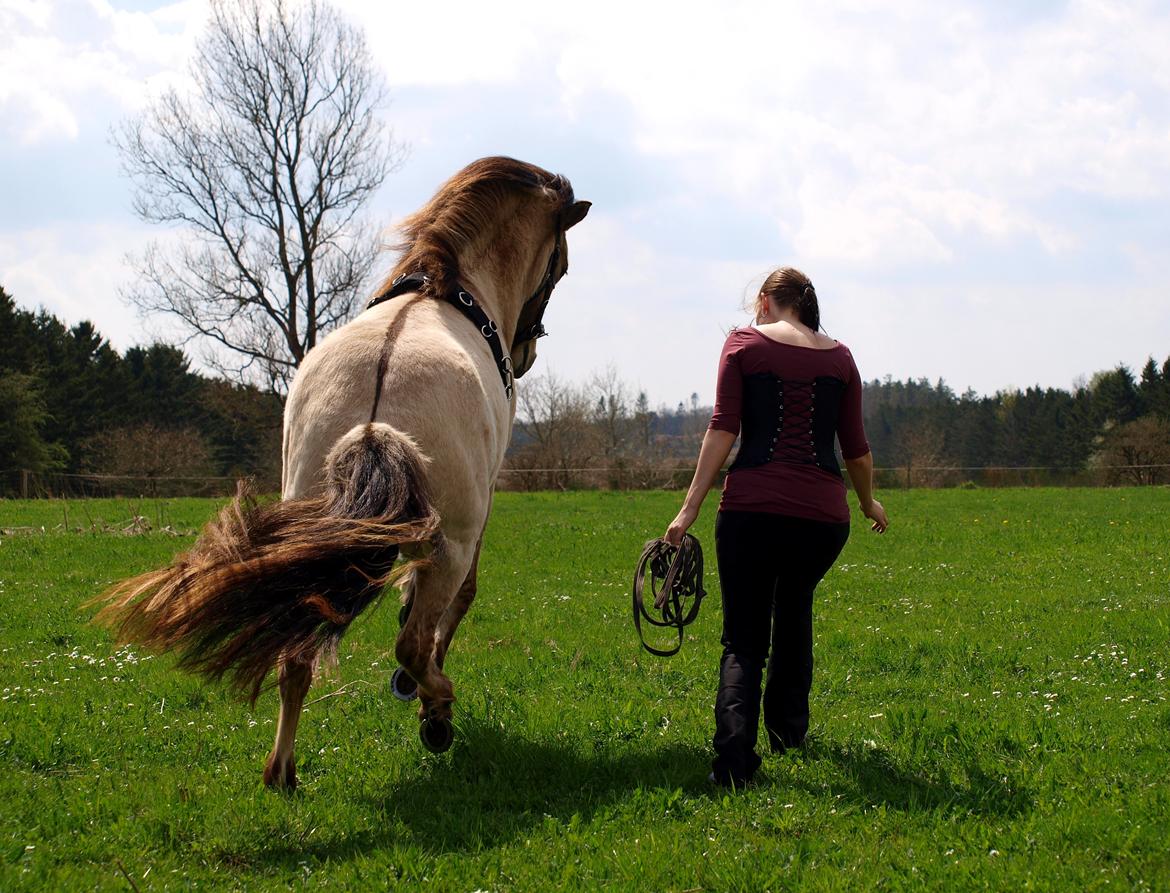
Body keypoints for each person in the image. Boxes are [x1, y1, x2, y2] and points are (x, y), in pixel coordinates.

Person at [664, 266, 888, 788]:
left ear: (766, 301)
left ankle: (734, 763)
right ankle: (789, 735)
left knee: (743, 640)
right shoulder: (841, 358)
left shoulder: (744, 346)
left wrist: (689, 507)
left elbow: (723, 428)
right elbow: (855, 446)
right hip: (822, 520)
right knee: (794, 610)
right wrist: (868, 501)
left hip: (751, 512)